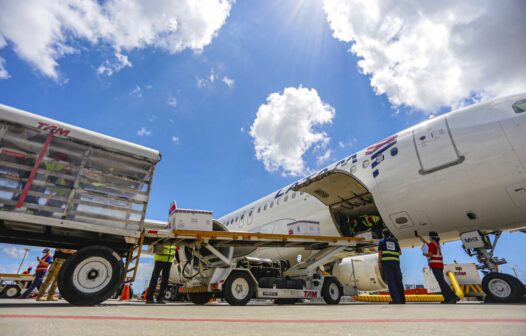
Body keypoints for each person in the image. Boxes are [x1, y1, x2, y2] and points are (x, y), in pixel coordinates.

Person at [417, 231, 460, 304]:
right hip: (440, 265)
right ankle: (447, 298)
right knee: (441, 281)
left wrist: (424, 254)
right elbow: (426, 244)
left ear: (430, 237)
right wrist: (419, 237)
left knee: (441, 282)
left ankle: (452, 297)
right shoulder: (436, 244)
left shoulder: (432, 244)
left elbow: (430, 255)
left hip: (435, 266)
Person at [378, 229, 405, 304]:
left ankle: (396, 300)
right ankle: (402, 300)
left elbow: (380, 253)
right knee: (398, 281)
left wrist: (379, 262)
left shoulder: (382, 241)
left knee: (391, 281)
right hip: (396, 263)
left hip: (387, 263)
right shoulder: (395, 241)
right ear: (390, 234)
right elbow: (400, 253)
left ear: (383, 234)